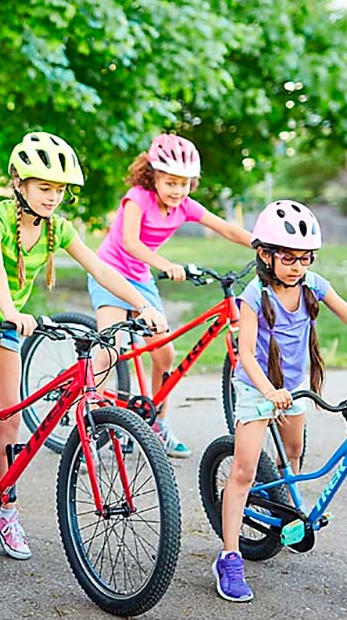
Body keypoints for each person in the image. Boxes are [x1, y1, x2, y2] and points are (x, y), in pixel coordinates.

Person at [0, 132, 167, 558]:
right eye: (44, 188)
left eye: (59, 190)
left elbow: (100, 269)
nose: (53, 197)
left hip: (5, 325)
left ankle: (5, 511)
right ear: (19, 184)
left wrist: (140, 303)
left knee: (9, 420)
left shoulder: (58, 228)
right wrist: (9, 309)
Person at [214, 199, 347, 602]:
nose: (298, 267)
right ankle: (229, 557)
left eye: (305, 259)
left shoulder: (313, 287)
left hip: (295, 387)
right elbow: (247, 353)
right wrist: (268, 391)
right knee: (243, 471)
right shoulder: (255, 296)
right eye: (289, 258)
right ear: (264, 255)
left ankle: (289, 509)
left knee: (293, 453)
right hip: (259, 388)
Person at [91, 134, 251, 458]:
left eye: (184, 183)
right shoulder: (137, 198)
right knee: (110, 349)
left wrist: (264, 245)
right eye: (170, 182)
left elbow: (228, 229)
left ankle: (157, 425)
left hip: (140, 278)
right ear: (154, 176)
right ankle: (89, 423)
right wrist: (166, 264)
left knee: (164, 354)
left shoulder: (185, 206)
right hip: (108, 273)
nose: (177, 190)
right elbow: (131, 243)